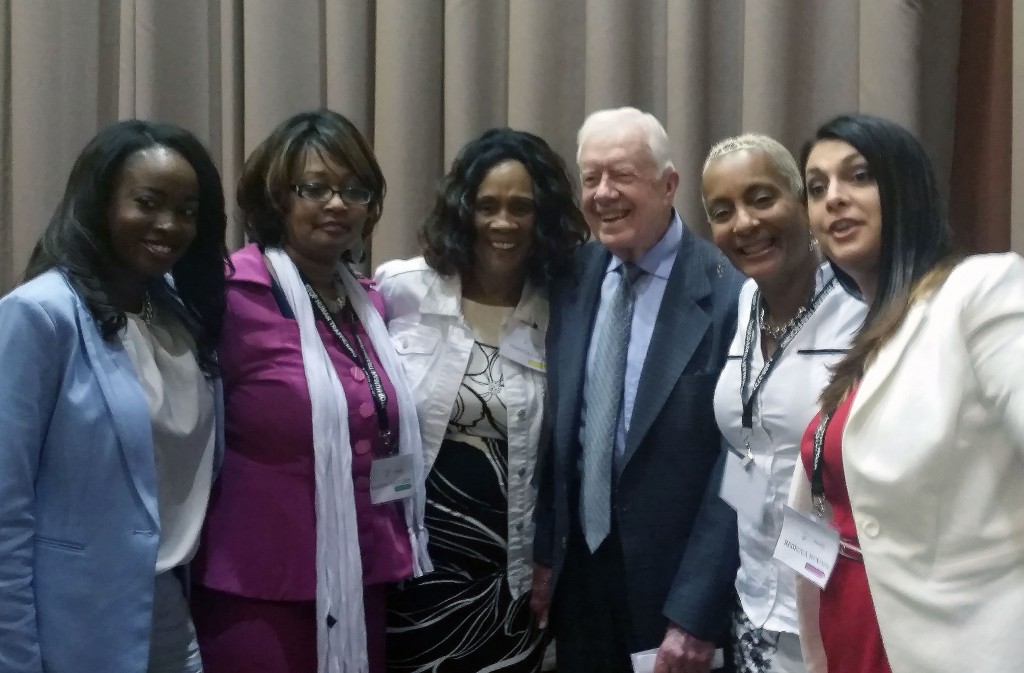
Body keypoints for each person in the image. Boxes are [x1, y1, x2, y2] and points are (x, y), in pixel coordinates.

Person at [189, 109, 430, 673]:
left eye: (354, 189)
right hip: (258, 585)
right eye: (315, 188)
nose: (337, 204)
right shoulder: (228, 294)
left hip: (361, 573)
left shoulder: (371, 303)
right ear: (277, 199)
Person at [790, 113, 1024, 673]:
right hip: (847, 630)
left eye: (859, 176)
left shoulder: (976, 292)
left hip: (955, 643)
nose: (833, 199)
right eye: (817, 188)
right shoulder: (869, 337)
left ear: (907, 189)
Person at [0, 120, 228, 672]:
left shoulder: (179, 312)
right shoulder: (39, 315)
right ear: (99, 202)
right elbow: (6, 511)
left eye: (188, 210)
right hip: (71, 625)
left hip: (169, 604)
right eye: (147, 203)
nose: (170, 224)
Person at [531, 106, 744, 673]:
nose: (603, 193)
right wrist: (547, 554)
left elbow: (740, 466)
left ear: (669, 184)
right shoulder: (570, 278)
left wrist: (697, 609)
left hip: (675, 595)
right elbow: (560, 434)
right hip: (580, 584)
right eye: (591, 177)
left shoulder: (729, 294)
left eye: (621, 175)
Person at [376, 128, 588, 672]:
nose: (503, 223)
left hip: (514, 573)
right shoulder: (401, 291)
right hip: (416, 565)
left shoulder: (562, 311)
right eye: (488, 206)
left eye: (522, 207)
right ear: (463, 209)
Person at [700, 134, 865, 673]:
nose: (744, 223)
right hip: (752, 604)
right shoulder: (743, 301)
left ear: (803, 201)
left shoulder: (862, 311)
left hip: (835, 610)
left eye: (762, 198)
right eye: (722, 212)